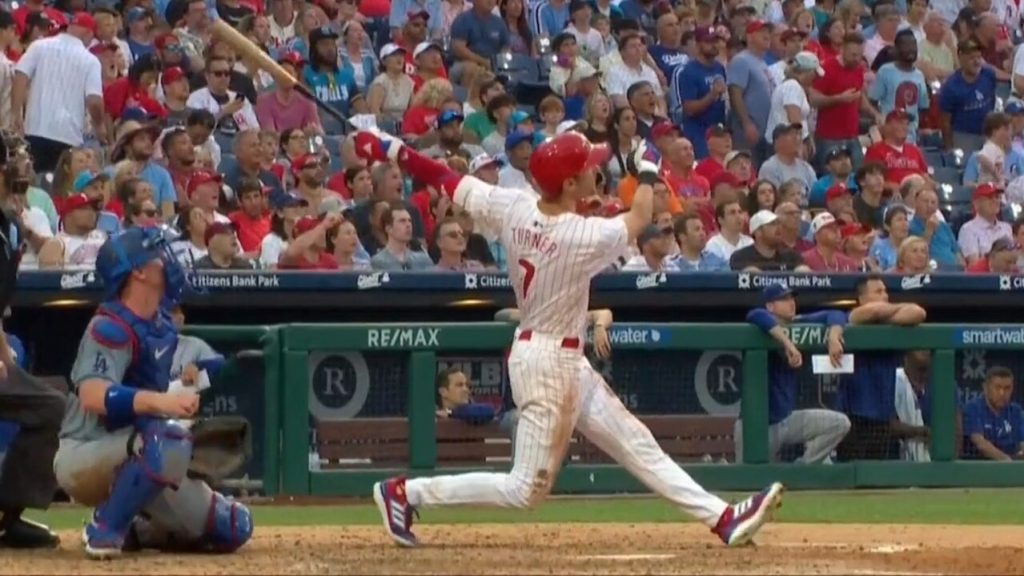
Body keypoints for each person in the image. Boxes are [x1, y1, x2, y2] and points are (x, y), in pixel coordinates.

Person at [352, 130, 783, 548]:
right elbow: (639, 218)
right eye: (587, 169)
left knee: (637, 444)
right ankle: (406, 494)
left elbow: (444, 177)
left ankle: (722, 518)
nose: (596, 172)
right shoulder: (577, 235)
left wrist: (393, 149)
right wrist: (649, 172)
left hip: (561, 357)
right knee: (525, 489)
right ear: (570, 182)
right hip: (546, 364)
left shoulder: (514, 206)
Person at [51, 226, 253, 558]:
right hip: (85, 451)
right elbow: (93, 395)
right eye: (159, 255)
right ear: (139, 272)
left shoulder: (159, 323)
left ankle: (140, 527)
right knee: (168, 439)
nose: (169, 261)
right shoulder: (109, 326)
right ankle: (105, 528)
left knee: (232, 526)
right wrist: (163, 403)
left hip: (144, 449)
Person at [0, 146, 65, 548]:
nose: (17, 165)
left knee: (51, 405)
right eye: (9, 160)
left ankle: (9, 516)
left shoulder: (9, 225)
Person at [744, 283, 850, 463]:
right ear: (770, 306)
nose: (791, 303)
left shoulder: (799, 323)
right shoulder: (759, 323)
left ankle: (801, 470)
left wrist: (833, 336)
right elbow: (756, 315)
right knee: (746, 481)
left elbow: (837, 315)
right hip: (756, 426)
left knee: (840, 423)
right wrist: (788, 344)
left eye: (792, 298)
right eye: (784, 299)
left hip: (787, 421)